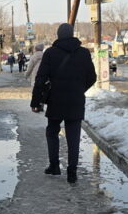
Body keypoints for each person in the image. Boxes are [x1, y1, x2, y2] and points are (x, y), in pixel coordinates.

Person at [30, 23, 97, 184]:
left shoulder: (51, 53)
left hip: (55, 100)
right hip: (76, 101)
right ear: (72, 34)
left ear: (58, 35)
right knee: (74, 136)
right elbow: (92, 77)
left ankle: (54, 166)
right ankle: (72, 173)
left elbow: (40, 79)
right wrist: (80, 89)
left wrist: (35, 101)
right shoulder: (84, 53)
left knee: (52, 131)